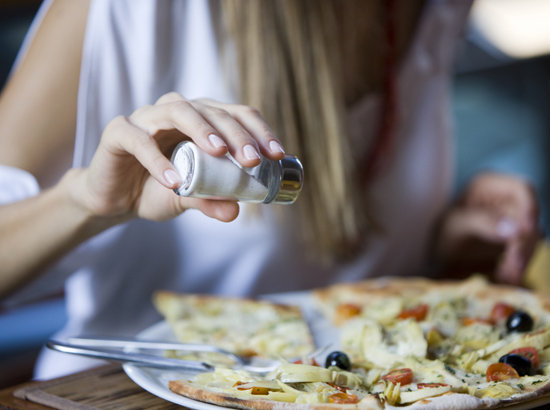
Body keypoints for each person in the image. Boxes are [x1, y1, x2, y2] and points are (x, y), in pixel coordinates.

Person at [0, 0, 540, 379]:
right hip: (125, 394)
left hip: (355, 387)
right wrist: (84, 203)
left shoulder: (436, 9)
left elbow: (339, 278)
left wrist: (441, 234)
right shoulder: (131, 10)